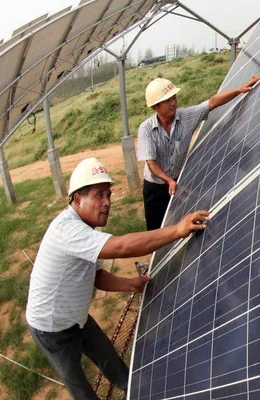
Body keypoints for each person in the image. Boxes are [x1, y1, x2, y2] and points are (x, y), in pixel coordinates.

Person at [25, 157, 209, 400]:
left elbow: (96, 276)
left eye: (108, 195)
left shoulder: (84, 228)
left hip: (77, 317)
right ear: (78, 199)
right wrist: (176, 230)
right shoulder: (67, 231)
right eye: (99, 195)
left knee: (109, 360)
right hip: (52, 327)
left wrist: (129, 284)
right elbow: (121, 247)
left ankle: (134, 391)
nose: (107, 203)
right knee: (78, 385)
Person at [137, 74, 260, 231]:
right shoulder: (146, 129)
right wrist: (168, 180)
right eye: (167, 101)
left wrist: (240, 89)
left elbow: (212, 102)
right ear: (155, 107)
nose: (173, 103)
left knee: (183, 222)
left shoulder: (186, 117)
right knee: (156, 228)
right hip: (156, 187)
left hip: (179, 181)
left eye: (174, 98)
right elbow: (151, 162)